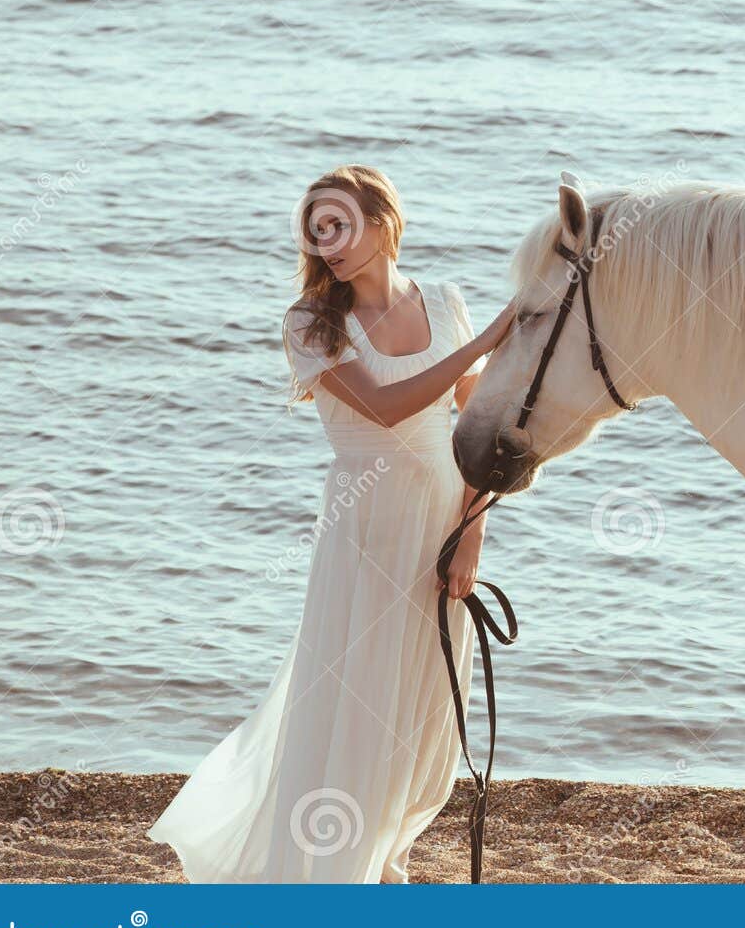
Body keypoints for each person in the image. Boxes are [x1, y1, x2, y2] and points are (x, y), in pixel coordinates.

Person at [147, 164, 515, 882]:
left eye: (339, 224)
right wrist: (484, 344)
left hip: (443, 516)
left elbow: (476, 427)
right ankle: (336, 868)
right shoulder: (310, 322)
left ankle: (385, 858)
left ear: (381, 222)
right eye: (317, 231)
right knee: (358, 696)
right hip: (365, 525)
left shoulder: (444, 300)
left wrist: (472, 531)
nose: (328, 243)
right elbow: (388, 408)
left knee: (424, 710)